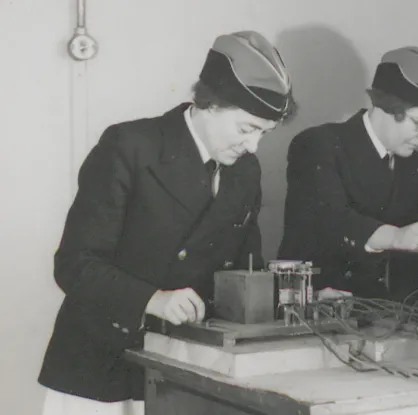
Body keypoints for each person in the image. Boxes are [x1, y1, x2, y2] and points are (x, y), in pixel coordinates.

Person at [38, 31, 295, 415]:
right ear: (211, 104)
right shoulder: (130, 146)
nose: (254, 146)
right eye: (247, 129)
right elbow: (74, 265)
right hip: (102, 369)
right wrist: (153, 299)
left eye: (264, 133)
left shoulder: (245, 172)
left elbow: (245, 268)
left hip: (184, 369)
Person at [278, 46, 418, 301]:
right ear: (386, 107)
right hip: (319, 305)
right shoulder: (318, 146)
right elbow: (333, 219)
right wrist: (396, 236)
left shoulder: (416, 167)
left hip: (386, 314)